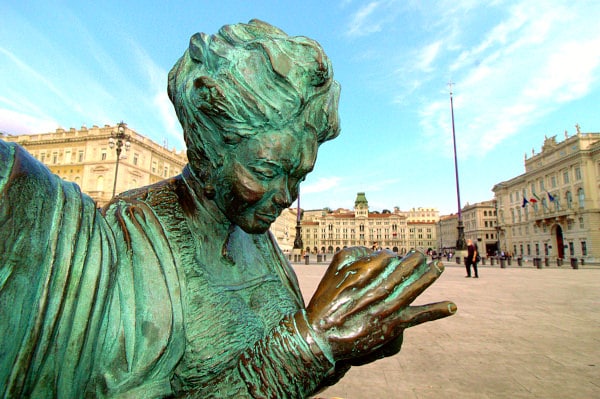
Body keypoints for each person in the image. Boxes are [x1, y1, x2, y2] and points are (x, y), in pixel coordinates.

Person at [0, 20, 456, 398]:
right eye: (267, 169)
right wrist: (310, 344)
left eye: (299, 175)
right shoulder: (133, 246)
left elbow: (294, 374)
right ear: (208, 148)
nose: (286, 195)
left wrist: (345, 344)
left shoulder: (258, 240)